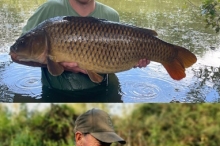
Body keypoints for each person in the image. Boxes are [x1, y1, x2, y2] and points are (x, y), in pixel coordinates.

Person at [21, 0, 150, 93]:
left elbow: (116, 56)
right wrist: (63, 66)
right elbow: (16, 55)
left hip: (102, 90)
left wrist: (133, 59)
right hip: (54, 92)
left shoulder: (111, 15)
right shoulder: (49, 9)